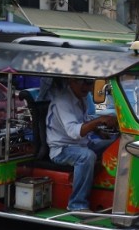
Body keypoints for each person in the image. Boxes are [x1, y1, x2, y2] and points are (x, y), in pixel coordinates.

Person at [46, 78, 117, 213]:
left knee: (114, 144)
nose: (85, 86)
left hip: (82, 144)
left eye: (89, 83)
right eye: (81, 82)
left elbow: (85, 121)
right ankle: (77, 204)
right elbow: (74, 132)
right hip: (62, 149)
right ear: (70, 81)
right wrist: (99, 121)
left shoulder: (82, 99)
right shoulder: (63, 102)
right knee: (86, 156)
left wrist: (101, 131)